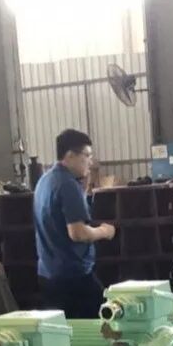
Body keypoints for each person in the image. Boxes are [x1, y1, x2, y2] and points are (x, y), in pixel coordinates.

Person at [33, 129, 115, 318]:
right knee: (105, 320)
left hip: (48, 274)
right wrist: (104, 231)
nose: (90, 162)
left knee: (62, 328)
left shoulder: (45, 180)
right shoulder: (67, 184)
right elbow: (77, 233)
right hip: (73, 277)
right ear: (70, 155)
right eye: (87, 155)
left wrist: (83, 191)